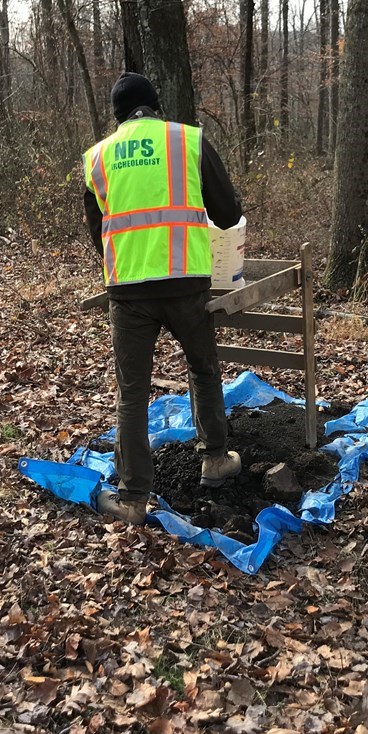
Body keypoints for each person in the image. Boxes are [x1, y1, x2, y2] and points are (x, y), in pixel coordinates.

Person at [82, 72, 244, 525]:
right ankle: (214, 457)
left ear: (117, 115)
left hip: (128, 289)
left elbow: (99, 233)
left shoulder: (97, 157)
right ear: (155, 105)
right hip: (186, 283)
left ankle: (133, 499)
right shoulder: (188, 141)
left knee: (132, 395)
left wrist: (131, 264)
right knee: (204, 370)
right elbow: (228, 215)